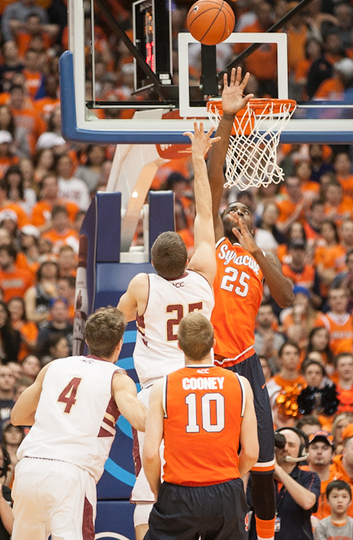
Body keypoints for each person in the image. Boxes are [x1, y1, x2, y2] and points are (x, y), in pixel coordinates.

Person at [116, 123, 218, 538]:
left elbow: (115, 319)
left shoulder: (143, 284)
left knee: (150, 489)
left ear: (153, 264)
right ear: (187, 256)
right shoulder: (206, 272)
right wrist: (198, 156)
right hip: (204, 384)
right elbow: (206, 214)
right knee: (202, 477)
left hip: (158, 391)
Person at [208, 68, 296, 540]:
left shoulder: (262, 256)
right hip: (208, 362)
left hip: (245, 361)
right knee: (214, 458)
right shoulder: (209, 244)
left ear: (253, 220)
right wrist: (228, 117)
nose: (235, 210)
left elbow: (287, 297)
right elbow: (214, 177)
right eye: (230, 208)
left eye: (244, 209)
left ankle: (264, 533)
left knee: (263, 458)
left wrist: (260, 253)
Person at [9, 308, 147, 540]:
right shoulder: (117, 378)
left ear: (87, 340)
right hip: (70, 474)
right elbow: (141, 421)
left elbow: (18, 416)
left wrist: (57, 417)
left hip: (29, 468)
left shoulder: (54, 366)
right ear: (119, 344)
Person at [143, 312, 257, 540]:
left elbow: (150, 455)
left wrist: (158, 490)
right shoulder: (240, 383)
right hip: (225, 491)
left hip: (179, 492)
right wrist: (231, 477)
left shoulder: (163, 386)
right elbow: (252, 453)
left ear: (179, 345)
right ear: (214, 343)